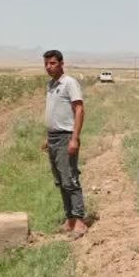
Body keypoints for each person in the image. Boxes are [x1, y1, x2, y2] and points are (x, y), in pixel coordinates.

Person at [41, 49, 87, 237]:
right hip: (53, 137)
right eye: (46, 64)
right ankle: (69, 219)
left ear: (61, 64)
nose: (48, 67)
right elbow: (55, 112)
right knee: (60, 180)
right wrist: (48, 137)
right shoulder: (51, 85)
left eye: (52, 63)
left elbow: (79, 110)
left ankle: (80, 221)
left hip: (66, 137)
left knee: (70, 179)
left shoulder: (69, 83)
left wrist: (74, 138)